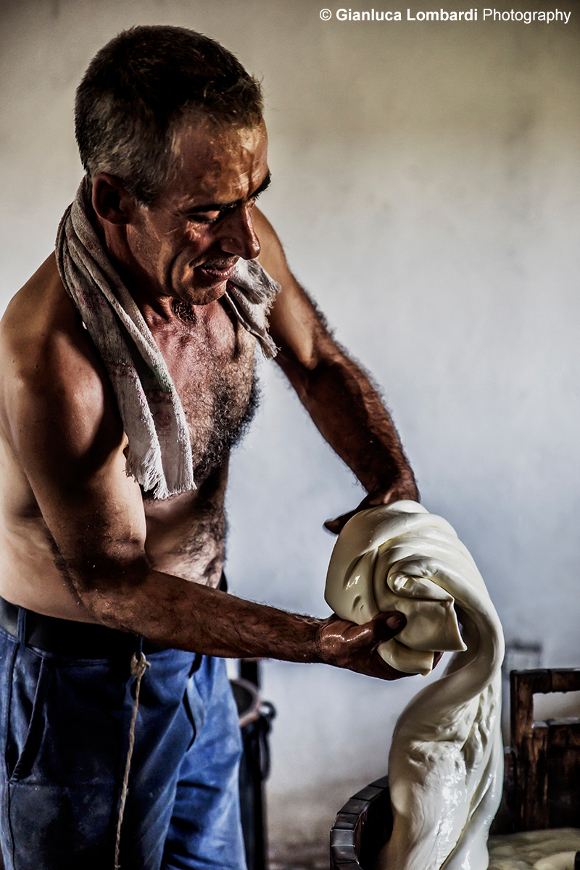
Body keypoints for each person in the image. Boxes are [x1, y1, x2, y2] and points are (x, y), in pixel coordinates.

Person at [0, 25, 419, 870]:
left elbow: (313, 357)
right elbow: (115, 586)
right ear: (116, 200)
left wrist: (391, 480)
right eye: (207, 213)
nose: (246, 240)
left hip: (195, 653)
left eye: (251, 195)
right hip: (86, 679)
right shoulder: (53, 360)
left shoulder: (231, 253)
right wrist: (318, 642)